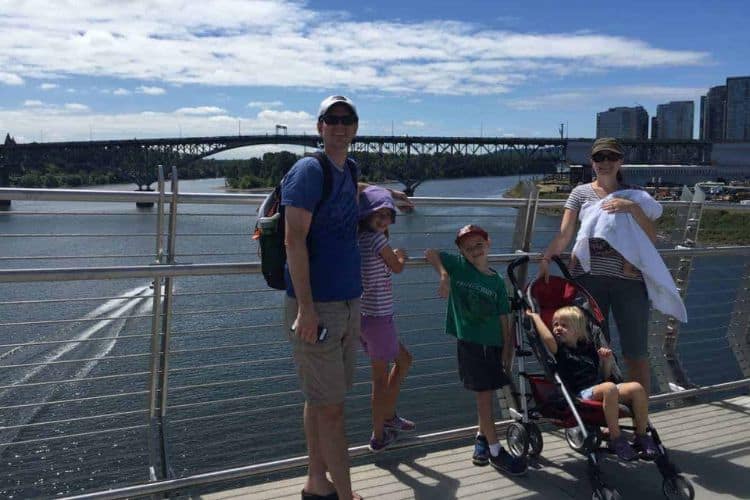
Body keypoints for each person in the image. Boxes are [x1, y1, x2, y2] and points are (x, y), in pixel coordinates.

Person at [283, 95, 411, 500]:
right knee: (333, 409)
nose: (340, 126)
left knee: (320, 400)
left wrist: (388, 195)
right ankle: (345, 493)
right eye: (331, 119)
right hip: (316, 306)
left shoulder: (346, 168)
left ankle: (316, 482)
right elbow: (293, 238)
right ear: (319, 126)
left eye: (347, 119)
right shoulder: (308, 170)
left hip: (348, 302)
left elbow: (354, 187)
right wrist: (305, 308)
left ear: (355, 127)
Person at [539, 137, 658, 395]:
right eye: (599, 158)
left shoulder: (635, 194)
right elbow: (564, 234)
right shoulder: (579, 194)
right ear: (591, 162)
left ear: (620, 161)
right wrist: (547, 257)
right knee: (594, 350)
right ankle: (602, 412)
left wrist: (632, 208)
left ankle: (640, 417)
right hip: (589, 280)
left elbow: (651, 237)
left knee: (635, 351)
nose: (605, 162)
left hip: (630, 281)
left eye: (611, 157)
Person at [424, 225, 527, 476]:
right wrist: (444, 276)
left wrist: (506, 350)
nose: (474, 250)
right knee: (483, 398)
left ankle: (482, 438)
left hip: (493, 347)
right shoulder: (460, 267)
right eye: (468, 248)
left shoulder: (496, 281)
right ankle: (494, 450)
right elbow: (431, 253)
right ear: (461, 252)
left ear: (488, 243)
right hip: (471, 344)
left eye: (478, 244)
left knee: (487, 395)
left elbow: (504, 317)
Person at [526, 306, 659, 461]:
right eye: (555, 325)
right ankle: (616, 438)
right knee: (609, 387)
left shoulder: (588, 348)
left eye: (564, 325)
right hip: (579, 394)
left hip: (600, 389)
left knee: (637, 388)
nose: (558, 328)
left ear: (578, 329)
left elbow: (604, 375)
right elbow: (547, 339)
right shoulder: (560, 350)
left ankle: (641, 435)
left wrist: (606, 361)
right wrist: (535, 317)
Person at [357, 186, 415, 453]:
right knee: (380, 379)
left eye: (387, 214)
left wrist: (392, 192)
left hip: (367, 317)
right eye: (376, 215)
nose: (382, 220)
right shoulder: (377, 240)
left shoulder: (360, 237)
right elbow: (397, 266)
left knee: (403, 360)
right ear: (366, 216)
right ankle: (379, 435)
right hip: (378, 318)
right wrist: (402, 254)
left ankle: (389, 417)